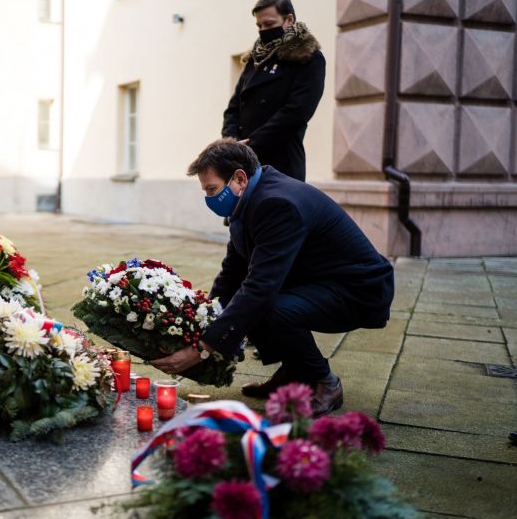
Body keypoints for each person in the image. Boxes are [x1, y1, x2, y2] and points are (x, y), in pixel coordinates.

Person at [151, 139, 394, 417]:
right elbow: (232, 271)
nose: (209, 199)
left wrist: (203, 348)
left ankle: (325, 382)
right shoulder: (249, 200)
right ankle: (295, 372)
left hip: (359, 290)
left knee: (269, 307)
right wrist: (203, 319)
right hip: (321, 280)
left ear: (239, 178)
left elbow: (260, 287)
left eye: (212, 189)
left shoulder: (277, 203)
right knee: (249, 305)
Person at [222, 0, 325, 182]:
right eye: (259, 25)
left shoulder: (309, 59)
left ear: (289, 20)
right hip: (242, 165)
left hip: (281, 167)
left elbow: (296, 112)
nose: (263, 30)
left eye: (268, 24)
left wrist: (251, 144)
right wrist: (231, 143)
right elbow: (234, 107)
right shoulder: (255, 60)